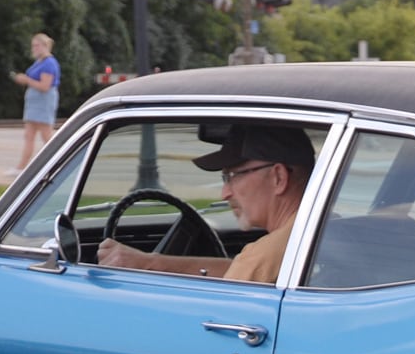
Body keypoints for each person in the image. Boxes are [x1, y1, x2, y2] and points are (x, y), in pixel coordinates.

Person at [97, 121, 315, 286]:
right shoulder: (322, 233)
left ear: (278, 178)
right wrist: (150, 263)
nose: (224, 193)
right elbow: (238, 270)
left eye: (233, 176)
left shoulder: (266, 254)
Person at [11, 34, 60, 164]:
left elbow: (45, 86)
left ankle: (57, 161)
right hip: (34, 104)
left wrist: (26, 80)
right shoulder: (39, 62)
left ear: (45, 46)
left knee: (46, 135)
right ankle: (22, 167)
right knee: (29, 135)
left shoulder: (49, 63)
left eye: (37, 46)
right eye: (33, 46)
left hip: (43, 102)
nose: (34, 49)